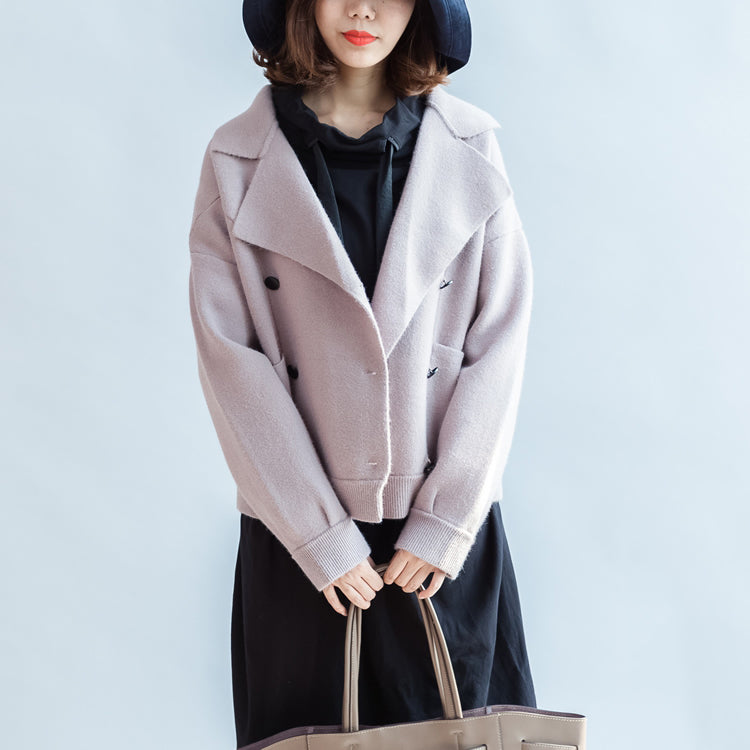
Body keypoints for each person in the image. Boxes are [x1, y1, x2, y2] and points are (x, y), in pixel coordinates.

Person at [188, 1, 537, 747]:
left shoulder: (469, 147)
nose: (363, 9)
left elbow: (499, 342)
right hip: (301, 542)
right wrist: (321, 536)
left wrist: (445, 521)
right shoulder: (237, 159)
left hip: (439, 545)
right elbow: (231, 361)